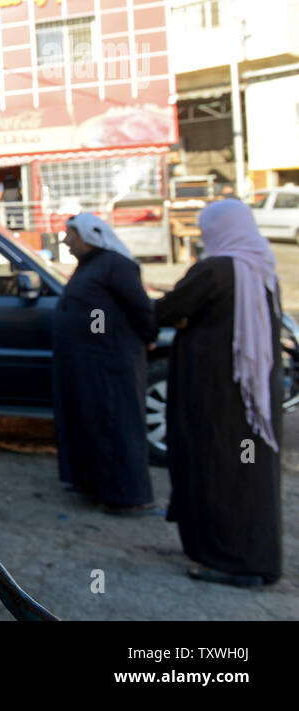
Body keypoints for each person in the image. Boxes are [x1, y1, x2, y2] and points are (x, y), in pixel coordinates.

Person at [154, 198, 284, 586]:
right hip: (253, 394)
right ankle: (258, 559)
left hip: (214, 396)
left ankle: (229, 561)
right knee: (251, 475)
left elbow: (163, 312)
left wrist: (180, 317)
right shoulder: (262, 266)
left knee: (215, 471)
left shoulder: (214, 270)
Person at [52, 213, 158, 513]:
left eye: (70, 235)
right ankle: (95, 486)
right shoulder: (91, 264)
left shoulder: (116, 264)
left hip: (111, 362)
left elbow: (140, 307)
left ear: (88, 235)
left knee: (116, 425)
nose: (66, 240)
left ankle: (127, 498)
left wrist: (149, 335)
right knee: (93, 423)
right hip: (90, 363)